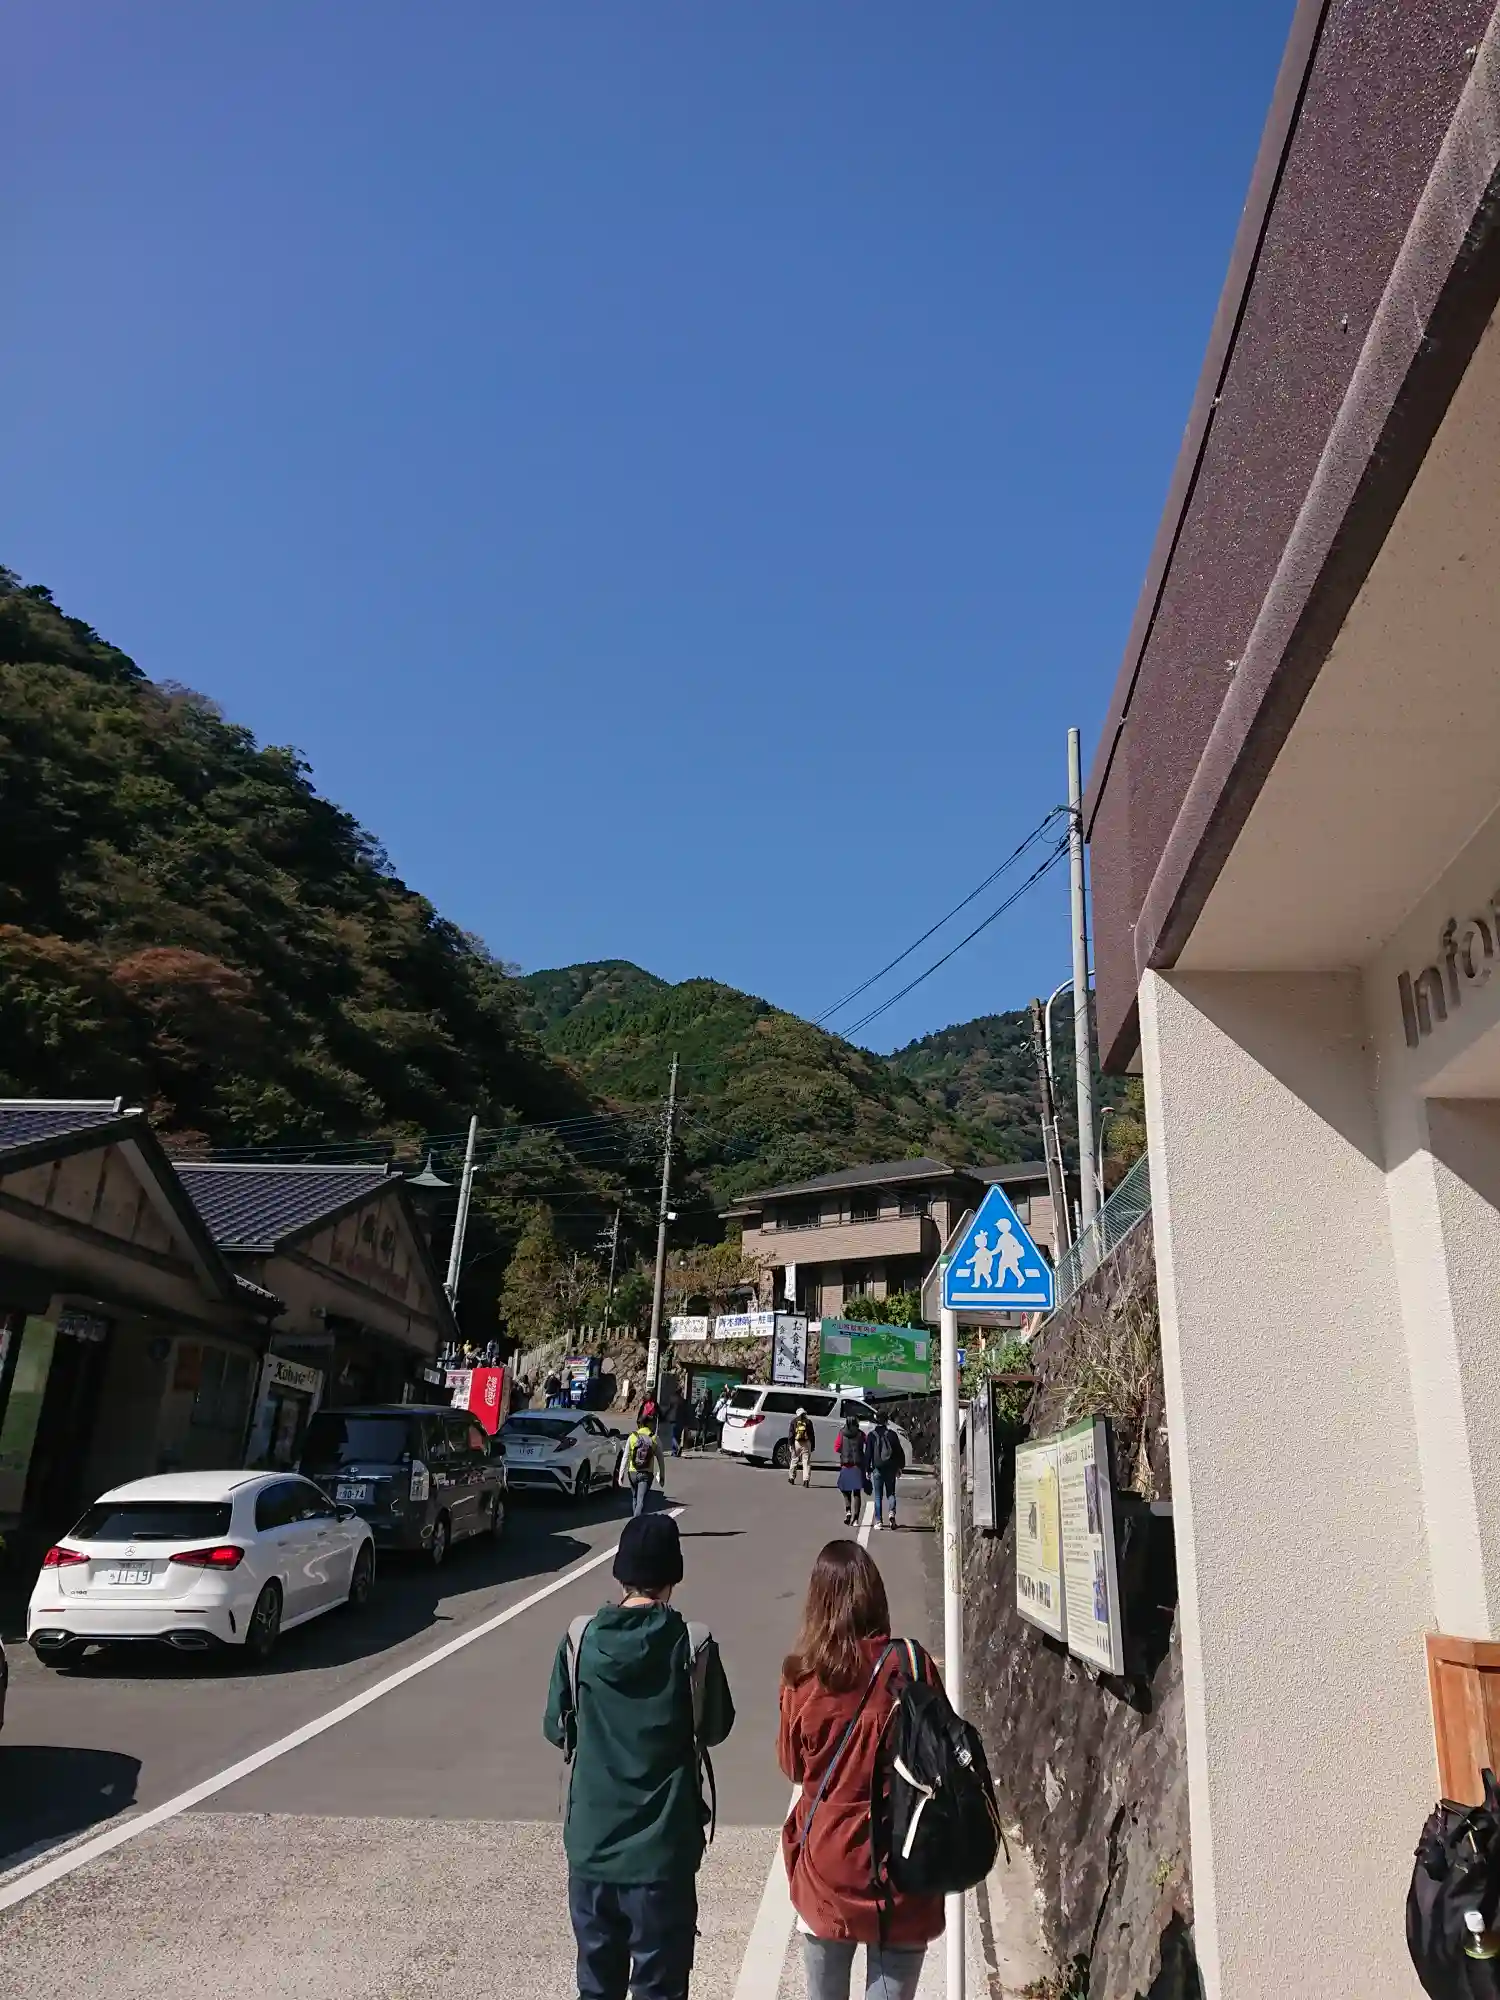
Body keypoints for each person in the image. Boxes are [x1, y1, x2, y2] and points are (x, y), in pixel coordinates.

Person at [545, 1514, 736, 2000]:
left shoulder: (580, 1641)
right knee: (661, 1989)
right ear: (673, 1578)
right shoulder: (692, 1645)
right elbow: (716, 1728)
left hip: (593, 1849)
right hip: (662, 1857)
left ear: (621, 1574)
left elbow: (556, 1728)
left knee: (596, 1986)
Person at [778, 1541, 943, 2000]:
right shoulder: (912, 1666)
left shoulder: (803, 1677)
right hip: (904, 1862)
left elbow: (793, 1768)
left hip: (828, 1864)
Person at [862, 1410, 906, 1531]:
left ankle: (879, 1521)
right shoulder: (892, 1435)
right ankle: (891, 1513)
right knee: (891, 1493)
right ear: (887, 1421)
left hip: (877, 1468)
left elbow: (868, 1454)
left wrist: (867, 1469)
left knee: (878, 1496)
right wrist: (899, 1467)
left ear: (876, 1421)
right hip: (891, 1468)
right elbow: (898, 1452)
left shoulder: (871, 1435)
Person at [619, 1416, 666, 1517]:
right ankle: (636, 1522)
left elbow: (625, 1457)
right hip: (646, 1473)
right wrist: (662, 1476)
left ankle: (635, 1519)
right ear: (648, 1424)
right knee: (641, 1501)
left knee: (634, 1498)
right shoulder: (654, 1438)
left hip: (632, 1472)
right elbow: (660, 1459)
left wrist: (621, 1475)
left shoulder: (632, 1437)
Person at [834, 1418, 866, 1529]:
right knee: (857, 1493)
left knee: (845, 1489)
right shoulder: (861, 1434)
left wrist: (844, 1451)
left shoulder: (841, 1433)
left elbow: (837, 1447)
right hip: (857, 1466)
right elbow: (867, 1442)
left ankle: (848, 1510)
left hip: (845, 1465)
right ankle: (856, 1519)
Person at [788, 1407, 815, 1488]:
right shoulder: (808, 1421)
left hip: (797, 1443)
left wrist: (790, 1444)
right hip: (807, 1443)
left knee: (794, 1460)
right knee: (806, 1462)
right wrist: (812, 1446)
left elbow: (791, 1434)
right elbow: (812, 1435)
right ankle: (806, 1480)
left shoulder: (794, 1421)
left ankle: (791, 1478)